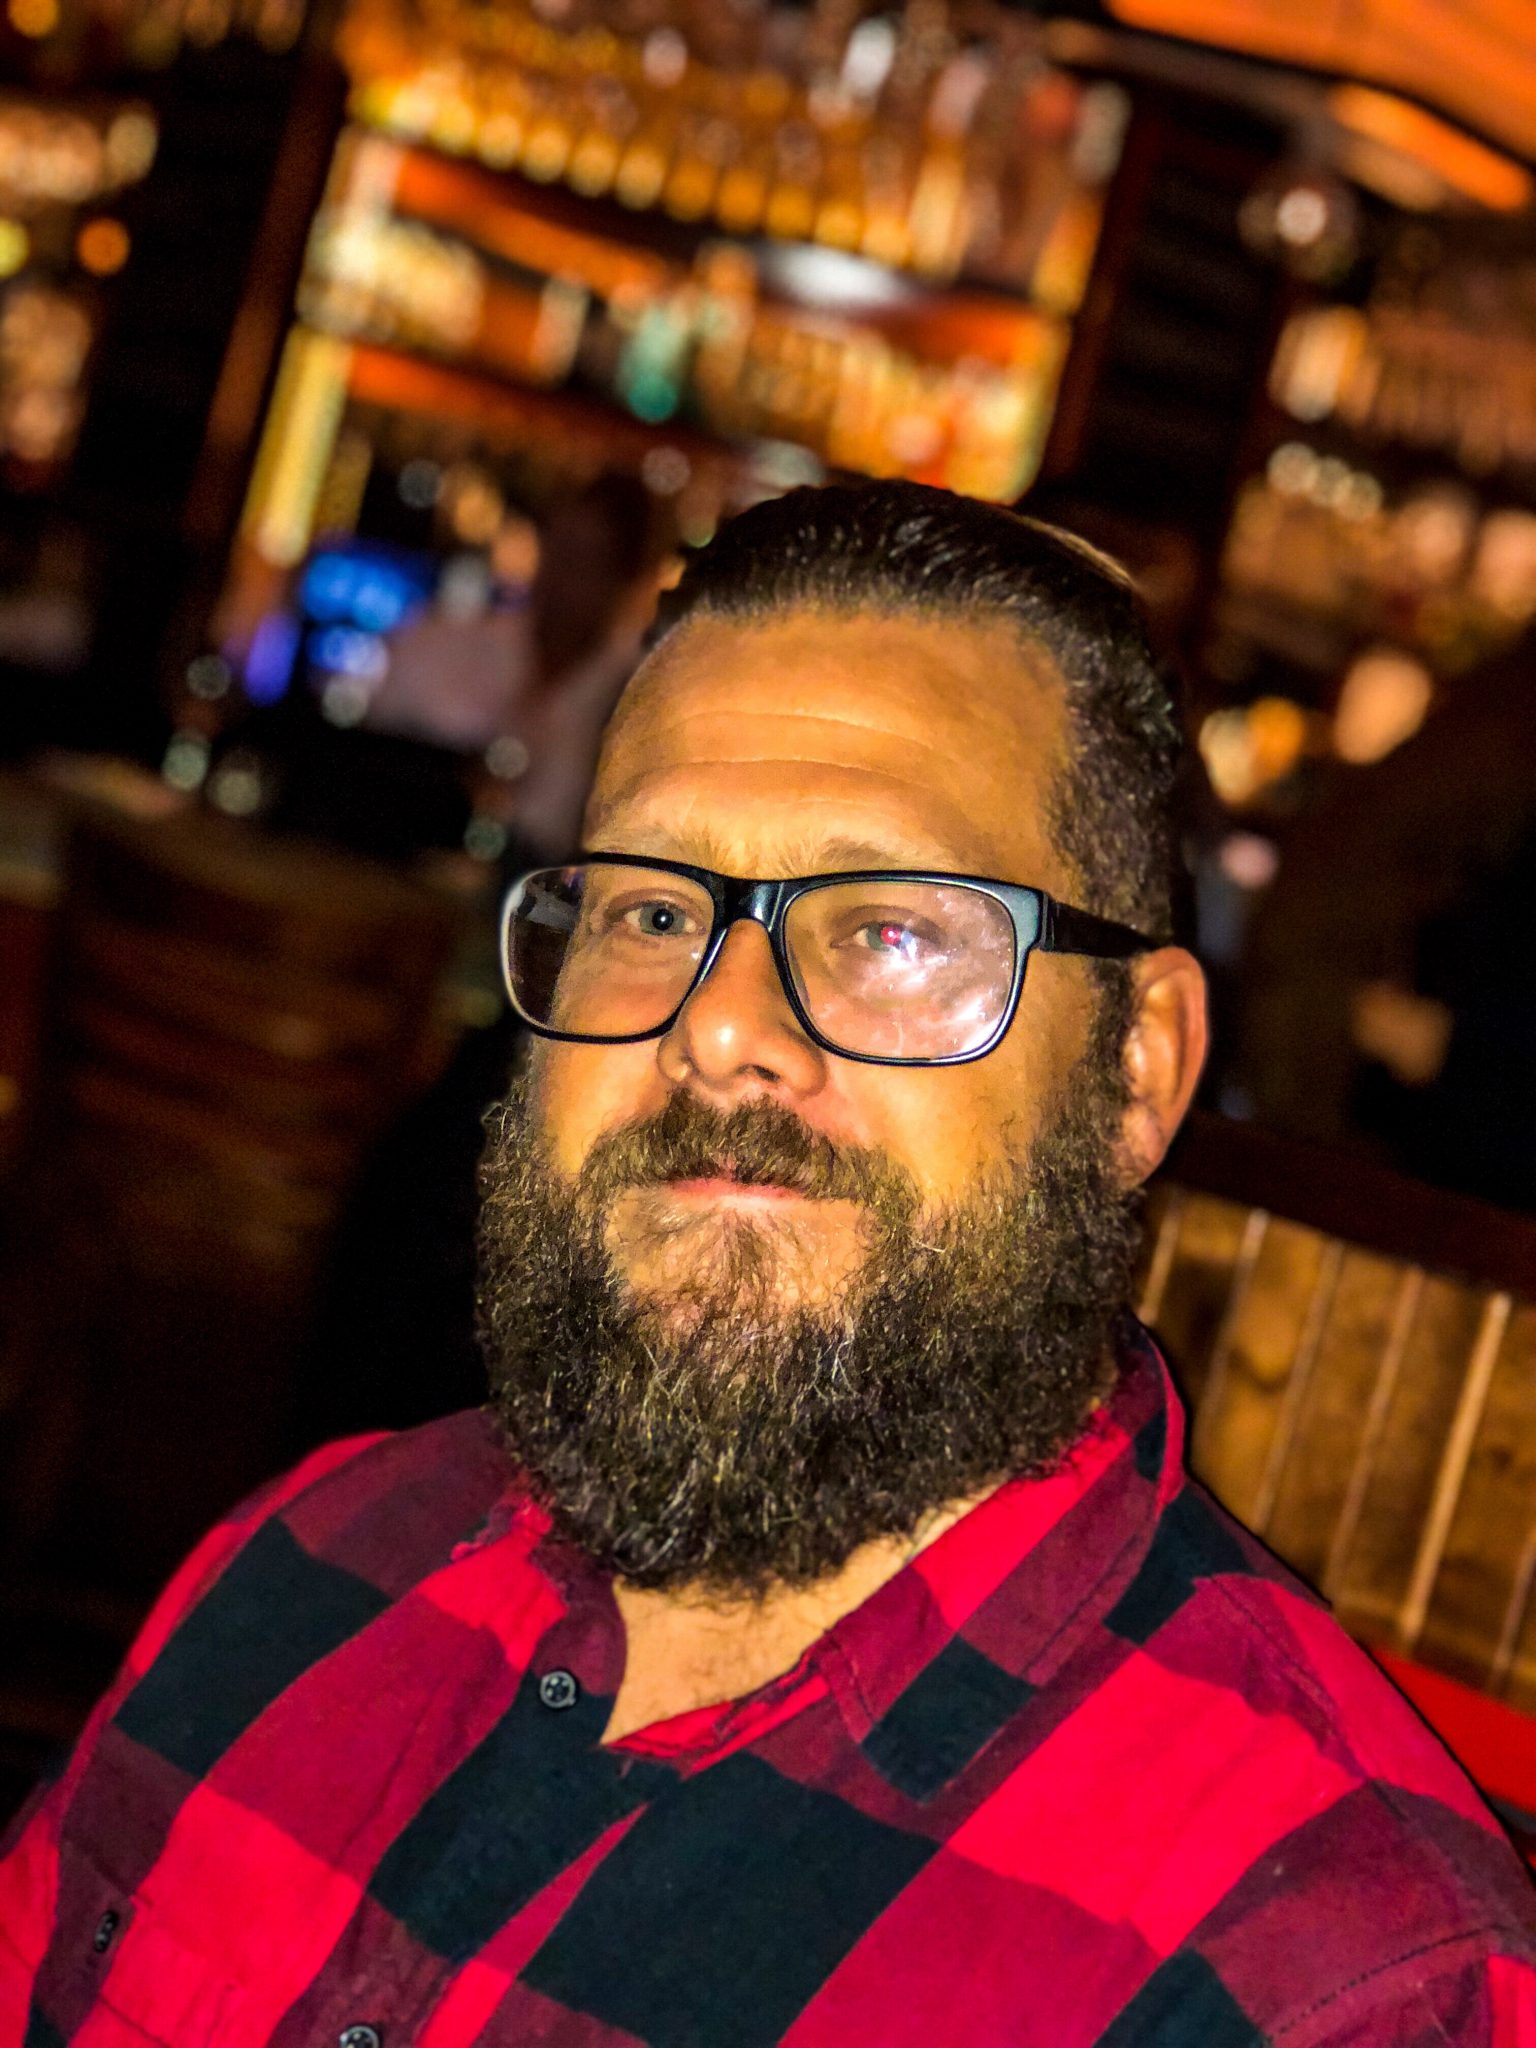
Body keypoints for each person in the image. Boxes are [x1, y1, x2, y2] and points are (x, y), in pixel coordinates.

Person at [2, 483, 1532, 2044]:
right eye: (655, 912)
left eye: (892, 933)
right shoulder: (304, 1565)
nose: (722, 1027)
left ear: (1137, 1072)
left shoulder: (1334, 1978)